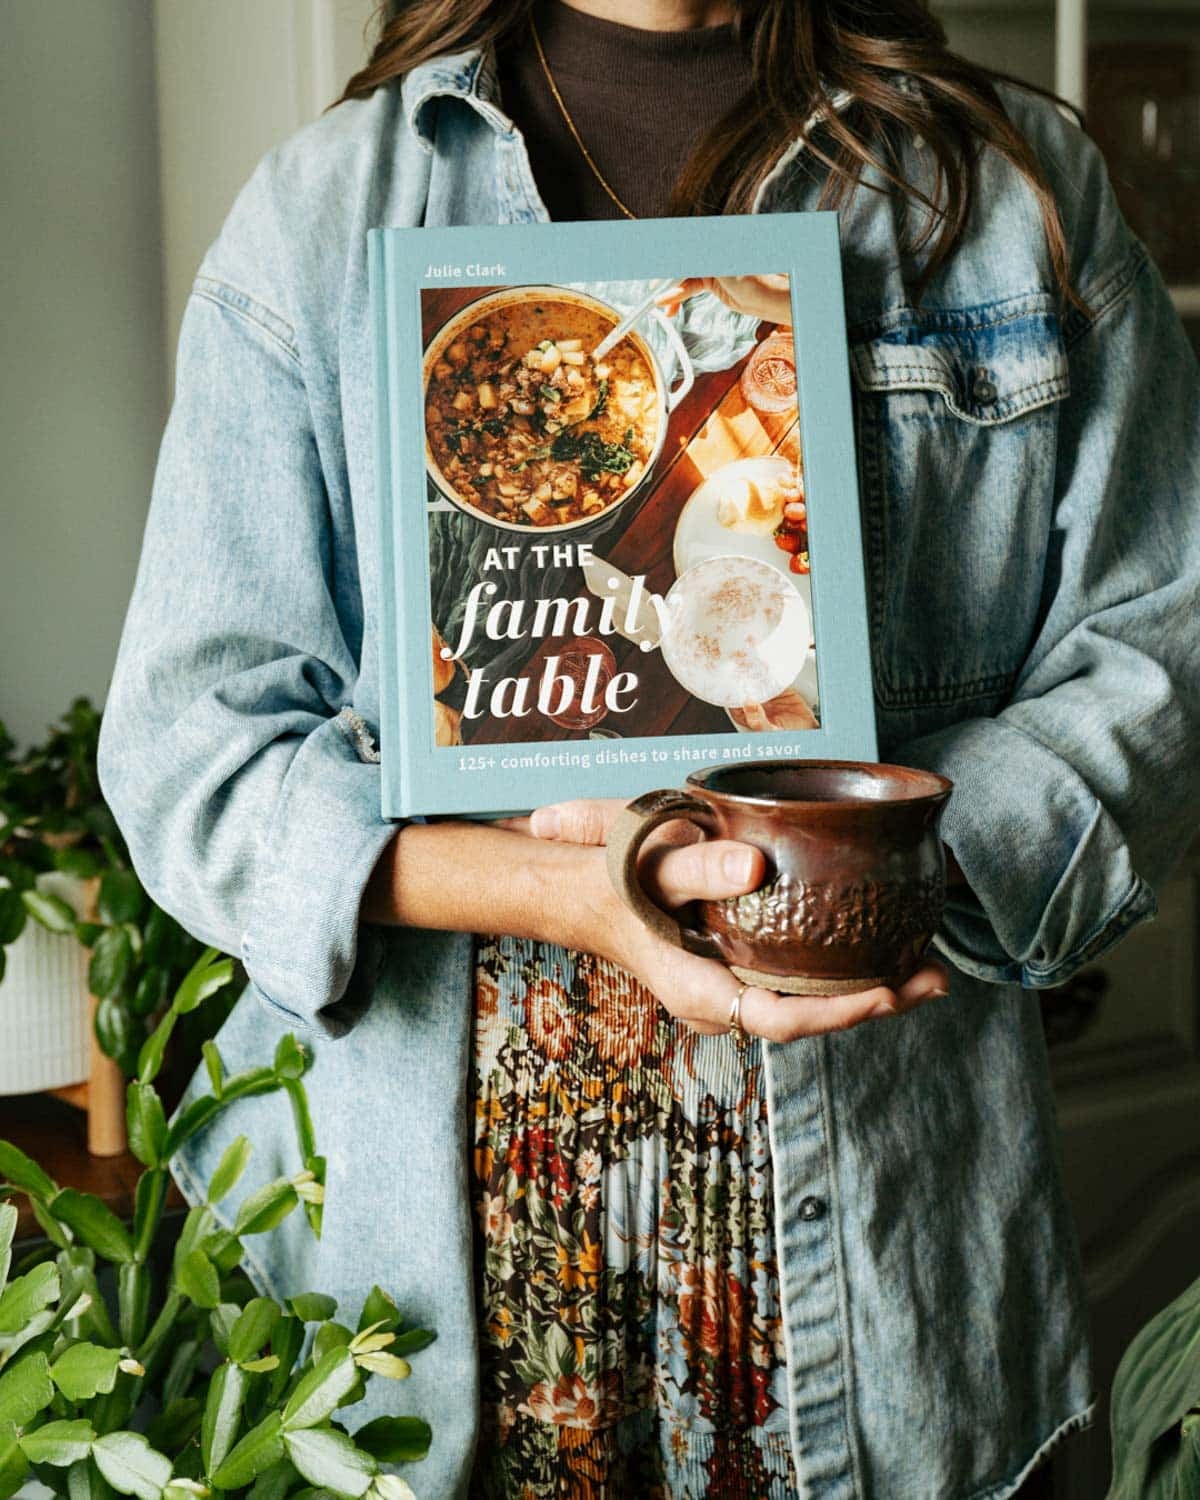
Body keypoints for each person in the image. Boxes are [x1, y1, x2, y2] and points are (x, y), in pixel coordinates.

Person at [97, 1, 1200, 1496]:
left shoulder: (1010, 193)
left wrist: (863, 860)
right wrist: (559, 888)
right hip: (434, 1271)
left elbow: (1163, 652)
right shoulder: (328, 211)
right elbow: (191, 755)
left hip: (877, 1261)